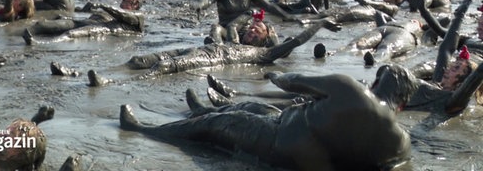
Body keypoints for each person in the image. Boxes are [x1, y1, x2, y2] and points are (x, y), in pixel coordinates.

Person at [119, 69, 411, 171]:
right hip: (292, 136)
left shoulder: (352, 89)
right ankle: (200, 109)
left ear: (375, 83)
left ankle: (143, 129)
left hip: (278, 142)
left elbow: (293, 81)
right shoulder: (402, 142)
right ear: (404, 103)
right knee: (252, 107)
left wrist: (274, 75)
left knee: (216, 125)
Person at [122, 19, 339, 79]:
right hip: (197, 50)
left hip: (210, 60)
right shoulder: (232, 39)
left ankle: (119, 82)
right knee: (140, 60)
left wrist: (320, 23)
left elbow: (297, 41)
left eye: (258, 31)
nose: (252, 31)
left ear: (264, 40)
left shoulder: (263, 54)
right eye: (251, 28)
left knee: (166, 66)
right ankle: (109, 74)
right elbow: (230, 25)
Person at [22, 0, 144, 45]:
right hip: (92, 22)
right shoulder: (116, 13)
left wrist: (103, 6)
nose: (122, 3)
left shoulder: (138, 16)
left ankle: (39, 43)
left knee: (71, 33)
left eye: (126, 1)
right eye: (122, 0)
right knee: (60, 23)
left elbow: (122, 14)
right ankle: (30, 31)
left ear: (135, 5)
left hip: (100, 28)